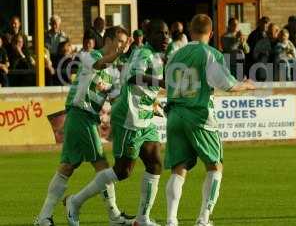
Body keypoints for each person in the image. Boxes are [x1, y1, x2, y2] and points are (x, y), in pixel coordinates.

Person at [65, 20, 170, 226]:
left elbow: (144, 88)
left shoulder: (155, 57)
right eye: (160, 33)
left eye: (167, 33)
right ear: (148, 35)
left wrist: (156, 105)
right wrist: (164, 83)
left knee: (155, 162)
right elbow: (133, 77)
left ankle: (143, 218)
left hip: (144, 117)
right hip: (129, 117)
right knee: (123, 171)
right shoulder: (143, 53)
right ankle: (75, 202)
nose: (165, 37)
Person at [34, 26, 133, 226]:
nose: (123, 46)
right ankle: (113, 215)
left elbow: (115, 99)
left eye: (124, 43)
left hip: (85, 118)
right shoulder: (90, 56)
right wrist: (119, 55)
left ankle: (44, 216)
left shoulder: (114, 72)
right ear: (110, 40)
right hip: (80, 114)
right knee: (102, 166)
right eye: (121, 41)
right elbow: (100, 64)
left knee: (68, 167)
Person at [164, 14, 256, 226]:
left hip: (175, 115)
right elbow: (228, 85)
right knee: (215, 166)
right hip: (198, 115)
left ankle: (171, 220)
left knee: (179, 168)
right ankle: (203, 219)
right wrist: (247, 86)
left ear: (190, 30)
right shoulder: (210, 53)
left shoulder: (175, 55)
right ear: (212, 33)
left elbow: (167, 83)